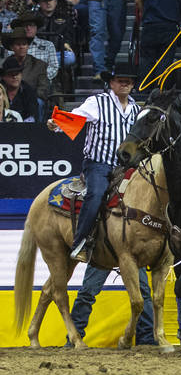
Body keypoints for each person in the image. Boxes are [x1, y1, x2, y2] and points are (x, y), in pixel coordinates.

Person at [46, 60, 139, 261]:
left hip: (127, 166)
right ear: (111, 83)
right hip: (99, 164)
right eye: (120, 80)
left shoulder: (136, 109)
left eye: (128, 81)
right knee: (96, 194)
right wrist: (57, 123)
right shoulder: (97, 102)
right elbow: (76, 117)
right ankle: (80, 242)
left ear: (132, 84)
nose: (124, 84)